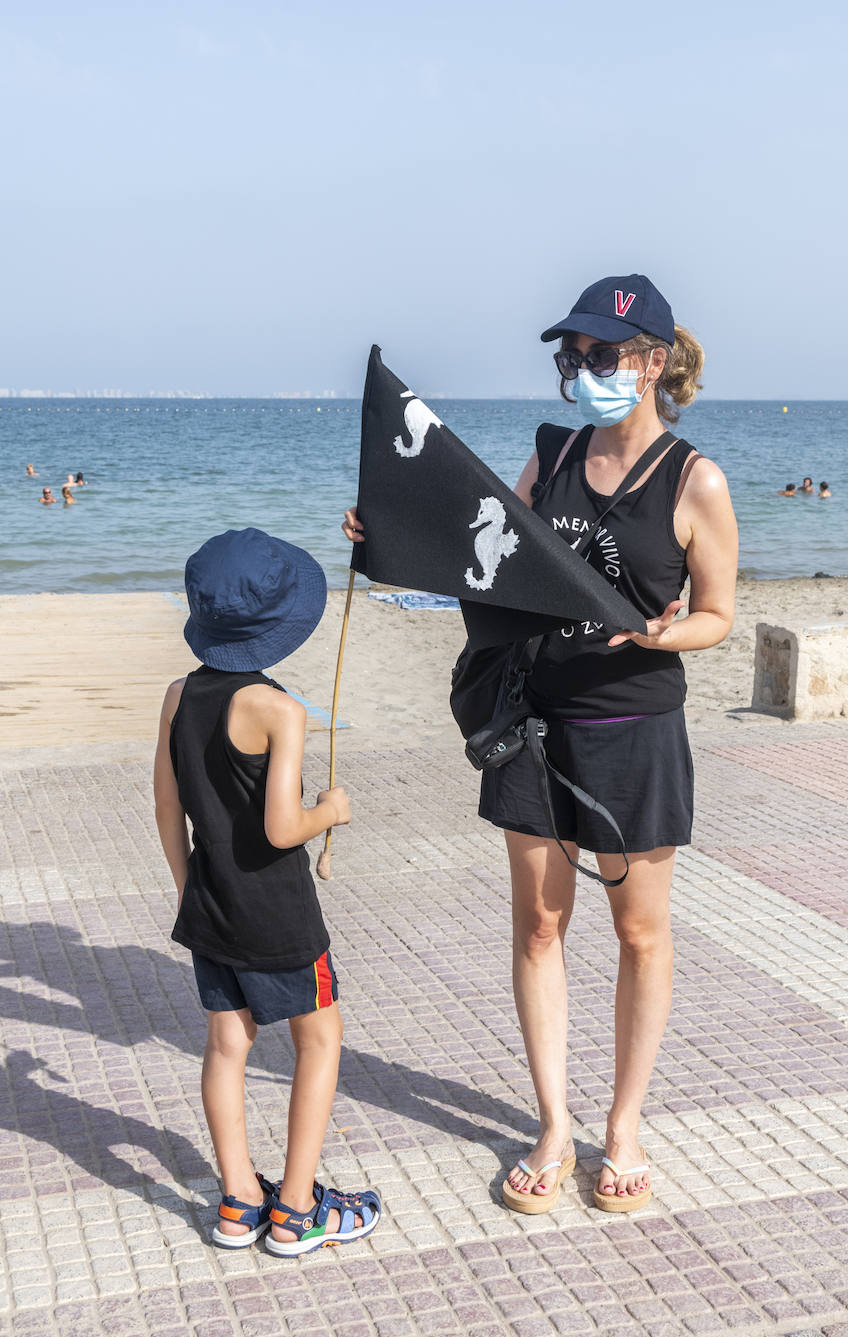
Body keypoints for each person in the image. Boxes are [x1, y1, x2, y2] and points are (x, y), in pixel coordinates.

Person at [343, 273, 738, 1215]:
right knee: (538, 926)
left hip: (635, 729)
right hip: (535, 725)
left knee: (639, 932)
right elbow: (487, 558)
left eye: (602, 354)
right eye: (574, 355)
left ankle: (625, 1127)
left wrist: (659, 636)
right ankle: (555, 1125)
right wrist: (386, 533)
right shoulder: (550, 455)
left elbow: (719, 614)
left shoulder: (695, 480)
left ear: (651, 362)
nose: (583, 368)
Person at [153, 527, 381, 1255]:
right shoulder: (279, 709)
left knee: (227, 1045)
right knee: (320, 1039)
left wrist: (190, 889)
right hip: (278, 913)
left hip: (209, 903)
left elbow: (167, 806)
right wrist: (331, 811)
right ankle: (295, 1210)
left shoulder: (178, 695)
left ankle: (237, 1203)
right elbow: (284, 828)